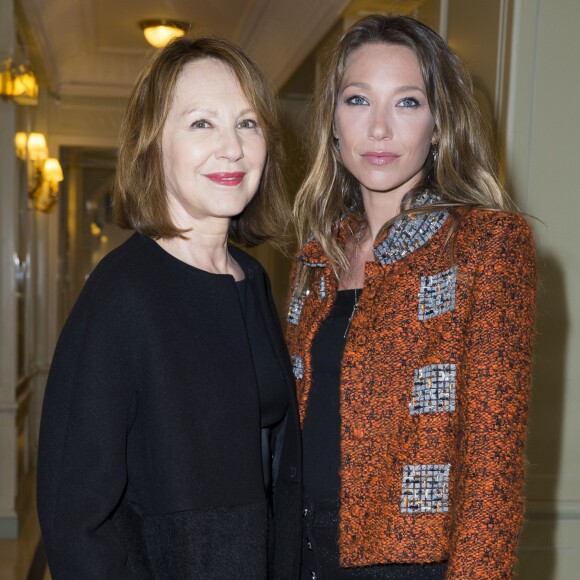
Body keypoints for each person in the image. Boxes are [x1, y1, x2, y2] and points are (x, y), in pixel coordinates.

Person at [37, 36, 301, 579]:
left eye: (247, 123)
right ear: (153, 144)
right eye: (202, 123)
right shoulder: (121, 294)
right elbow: (75, 518)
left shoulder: (250, 280)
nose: (232, 148)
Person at [286, 14, 536, 579]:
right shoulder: (317, 255)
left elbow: (492, 470)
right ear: (331, 121)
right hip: (299, 555)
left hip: (412, 564)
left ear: (440, 123)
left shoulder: (485, 244)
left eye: (406, 103)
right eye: (357, 100)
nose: (378, 129)